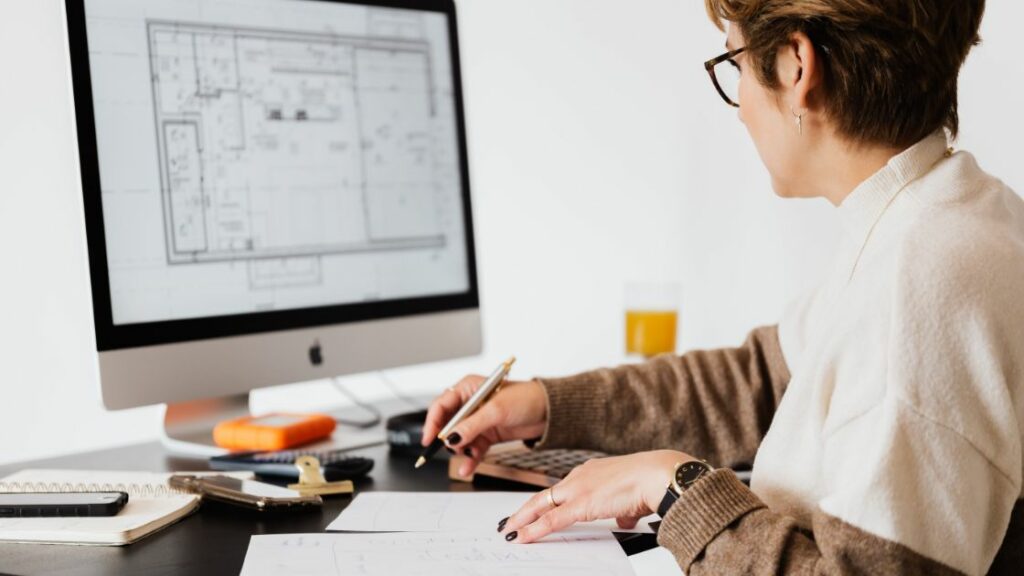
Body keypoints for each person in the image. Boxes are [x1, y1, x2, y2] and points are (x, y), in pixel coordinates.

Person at [423, 0, 1024, 574]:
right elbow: (760, 381)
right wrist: (547, 403)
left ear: (795, 64)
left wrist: (673, 487)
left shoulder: (921, 281)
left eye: (733, 63)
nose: (738, 106)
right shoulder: (940, 216)